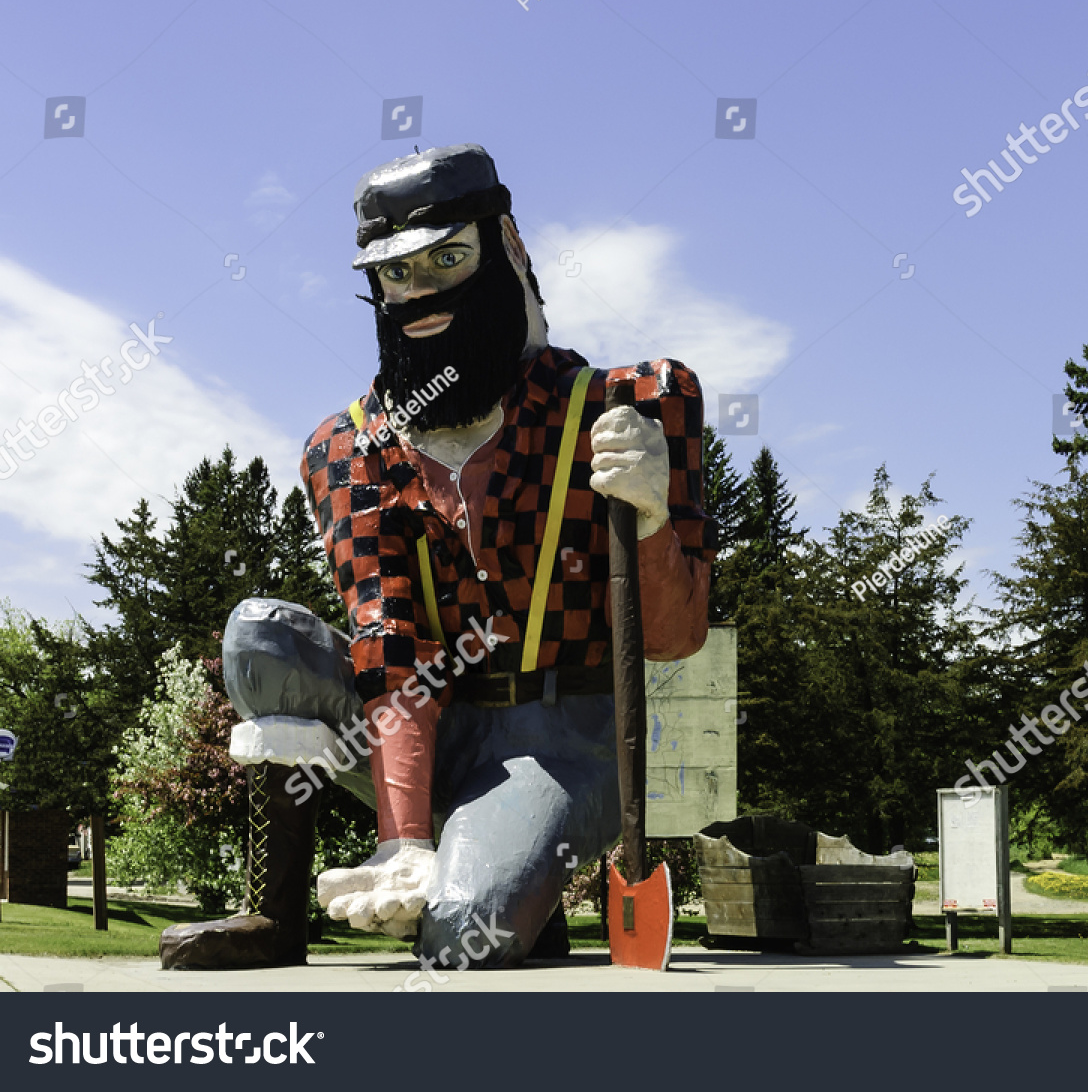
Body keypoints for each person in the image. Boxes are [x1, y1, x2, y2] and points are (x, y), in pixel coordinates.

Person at [160, 144, 713, 970]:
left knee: (461, 933)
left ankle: (506, 874)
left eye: (447, 259)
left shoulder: (626, 405)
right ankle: (276, 914)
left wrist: (653, 517)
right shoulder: (347, 446)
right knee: (258, 638)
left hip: (562, 737)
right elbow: (390, 643)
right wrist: (402, 841)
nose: (420, 293)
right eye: (396, 273)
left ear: (507, 248)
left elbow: (671, 639)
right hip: (433, 721)